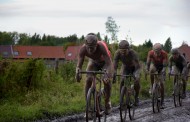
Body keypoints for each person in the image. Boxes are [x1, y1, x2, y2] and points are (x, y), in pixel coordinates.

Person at [75, 33, 113, 115]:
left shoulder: (101, 46)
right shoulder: (83, 49)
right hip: (93, 62)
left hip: (105, 63)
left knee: (106, 80)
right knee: (88, 80)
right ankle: (88, 109)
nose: (90, 50)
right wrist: (78, 72)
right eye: (88, 48)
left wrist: (107, 74)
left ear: (96, 44)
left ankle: (107, 102)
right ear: (85, 45)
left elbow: (109, 63)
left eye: (92, 48)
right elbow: (79, 65)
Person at [113, 40, 141, 106]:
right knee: (122, 80)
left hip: (135, 67)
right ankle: (121, 99)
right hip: (125, 67)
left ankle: (136, 97)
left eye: (124, 51)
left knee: (136, 81)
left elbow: (137, 65)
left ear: (128, 49)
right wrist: (114, 72)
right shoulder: (117, 53)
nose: (122, 52)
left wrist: (136, 74)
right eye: (121, 51)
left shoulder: (133, 53)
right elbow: (115, 64)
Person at [146, 43, 168, 109]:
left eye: (158, 52)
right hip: (155, 65)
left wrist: (163, 71)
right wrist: (147, 69)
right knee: (151, 70)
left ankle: (162, 102)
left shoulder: (164, 54)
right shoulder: (150, 53)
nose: (157, 53)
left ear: (161, 50)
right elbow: (148, 63)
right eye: (155, 52)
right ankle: (152, 86)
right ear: (153, 50)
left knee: (161, 84)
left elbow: (164, 66)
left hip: (161, 67)